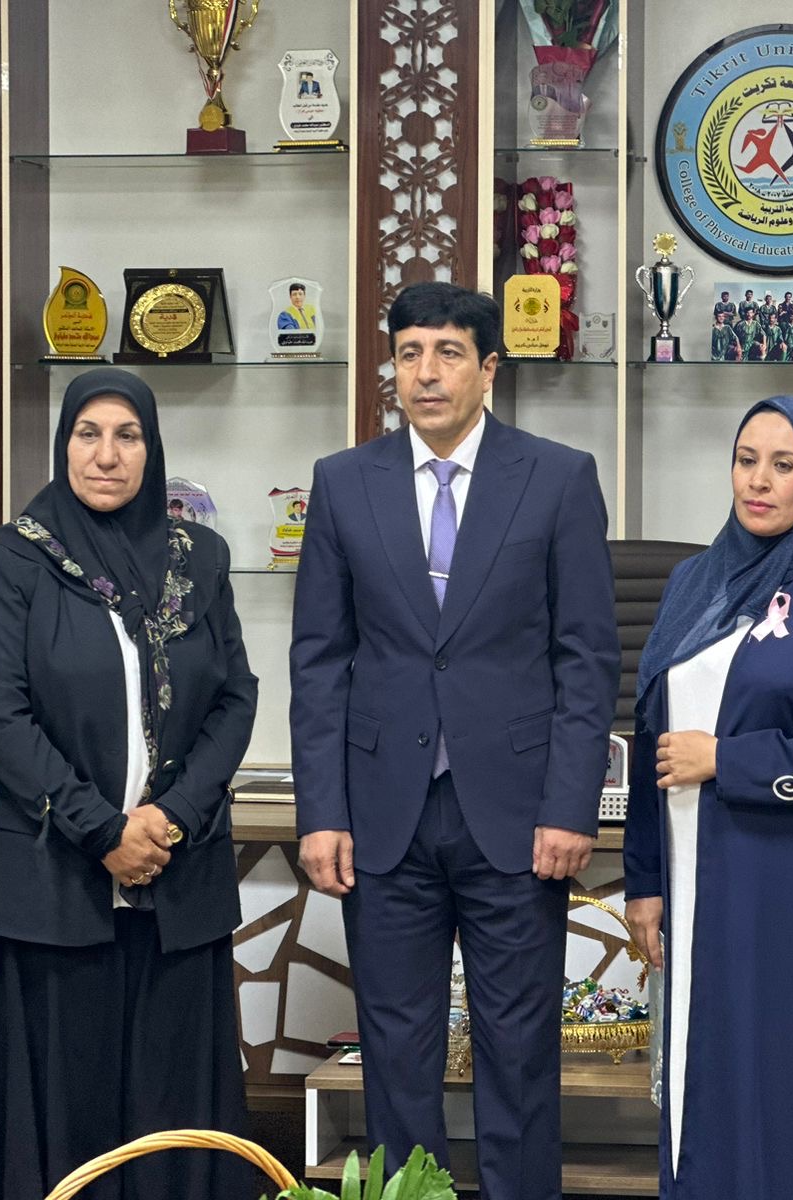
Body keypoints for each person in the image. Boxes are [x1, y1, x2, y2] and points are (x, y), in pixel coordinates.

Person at [290, 281, 620, 1200]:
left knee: (519, 1047)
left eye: (447, 353)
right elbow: (319, 660)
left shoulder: (557, 478)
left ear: (488, 369)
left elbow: (586, 658)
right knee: (396, 1049)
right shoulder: (343, 483)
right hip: (382, 814)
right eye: (409, 354)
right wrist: (322, 812)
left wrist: (571, 806)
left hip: (516, 817)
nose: (426, 373)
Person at [0, 368, 259, 1200]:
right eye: (87, 434)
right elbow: (0, 715)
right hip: (57, 880)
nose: (106, 455)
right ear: (63, 446)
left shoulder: (199, 558)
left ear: (151, 448)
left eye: (127, 436)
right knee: (71, 1102)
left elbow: (235, 698)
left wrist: (171, 817)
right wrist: (103, 832)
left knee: (175, 1104)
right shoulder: (16, 557)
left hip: (181, 877)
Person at [623, 396, 793, 1197]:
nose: (760, 481)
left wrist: (726, 760)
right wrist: (644, 878)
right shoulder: (692, 584)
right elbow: (652, 735)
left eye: (784, 465)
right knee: (709, 1077)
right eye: (747, 460)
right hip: (699, 881)